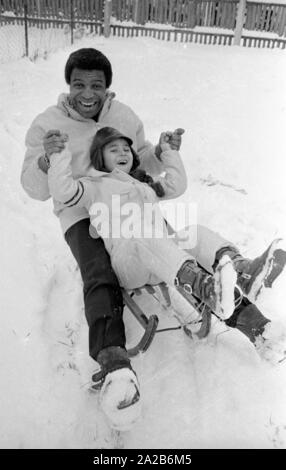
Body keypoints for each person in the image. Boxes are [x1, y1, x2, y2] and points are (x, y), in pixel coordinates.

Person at [21, 48, 286, 430]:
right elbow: (38, 188)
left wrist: (165, 152)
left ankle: (237, 273)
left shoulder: (123, 118)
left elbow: (147, 163)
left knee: (184, 231)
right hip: (84, 210)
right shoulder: (47, 125)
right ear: (68, 84)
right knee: (99, 273)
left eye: (97, 84)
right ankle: (114, 363)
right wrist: (51, 159)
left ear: (108, 88)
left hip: (132, 203)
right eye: (79, 83)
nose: (87, 92)